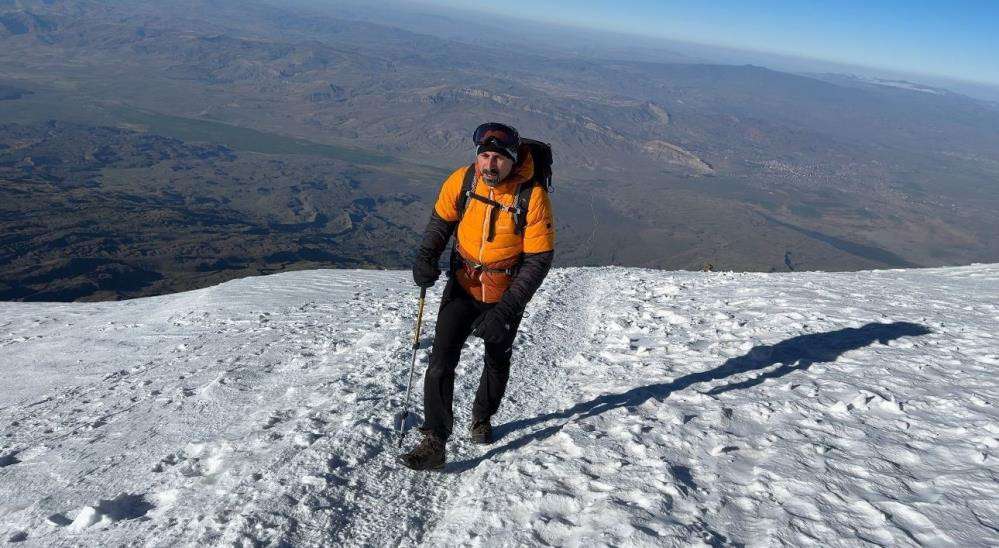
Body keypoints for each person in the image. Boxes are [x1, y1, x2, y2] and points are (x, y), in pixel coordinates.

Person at [399, 122, 555, 471]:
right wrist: (426, 256)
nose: (489, 165)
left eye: (498, 158)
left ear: (513, 161)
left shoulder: (532, 197)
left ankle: (482, 417)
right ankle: (434, 440)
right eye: (484, 156)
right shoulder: (464, 180)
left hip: (504, 294)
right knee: (441, 361)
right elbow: (442, 221)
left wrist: (507, 310)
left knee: (496, 359)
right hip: (463, 285)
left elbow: (539, 258)